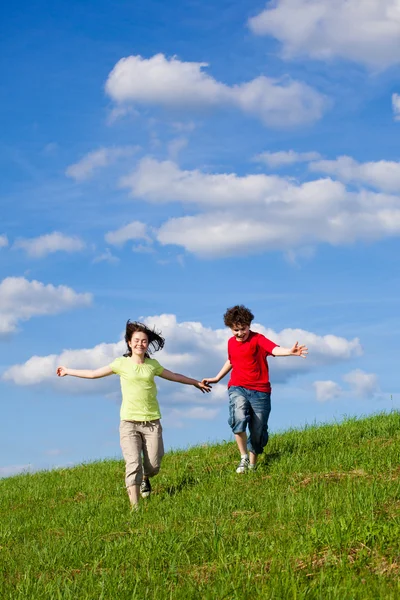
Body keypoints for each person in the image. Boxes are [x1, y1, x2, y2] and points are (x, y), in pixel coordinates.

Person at [56, 320, 211, 509]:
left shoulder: (152, 365)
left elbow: (176, 376)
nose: (140, 344)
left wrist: (196, 383)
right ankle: (135, 509)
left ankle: (146, 478)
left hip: (152, 421)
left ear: (147, 344)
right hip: (129, 423)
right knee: (133, 463)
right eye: (136, 340)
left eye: (144, 341)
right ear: (129, 343)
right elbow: (93, 373)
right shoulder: (121, 363)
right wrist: (68, 371)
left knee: (153, 465)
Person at [203, 305, 307, 474]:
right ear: (230, 328)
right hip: (238, 387)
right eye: (235, 330)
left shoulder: (258, 339)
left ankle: (252, 465)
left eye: (242, 329)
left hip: (260, 391)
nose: (239, 333)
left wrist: (290, 351)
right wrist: (217, 378)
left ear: (249, 325)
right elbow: (231, 360)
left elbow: (273, 349)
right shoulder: (231, 343)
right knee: (239, 418)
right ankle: (243, 457)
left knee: (258, 431)